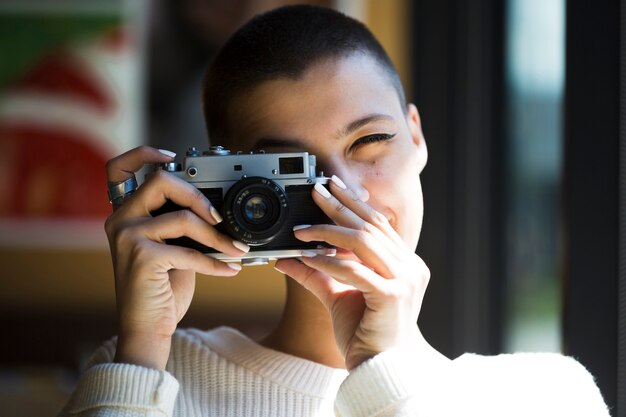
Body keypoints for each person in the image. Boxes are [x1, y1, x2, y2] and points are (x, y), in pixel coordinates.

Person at [59, 5, 609, 417]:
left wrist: (387, 373)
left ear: (415, 137)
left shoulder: (549, 394)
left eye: (369, 142)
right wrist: (141, 355)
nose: (341, 192)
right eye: (288, 169)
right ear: (229, 189)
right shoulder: (145, 377)